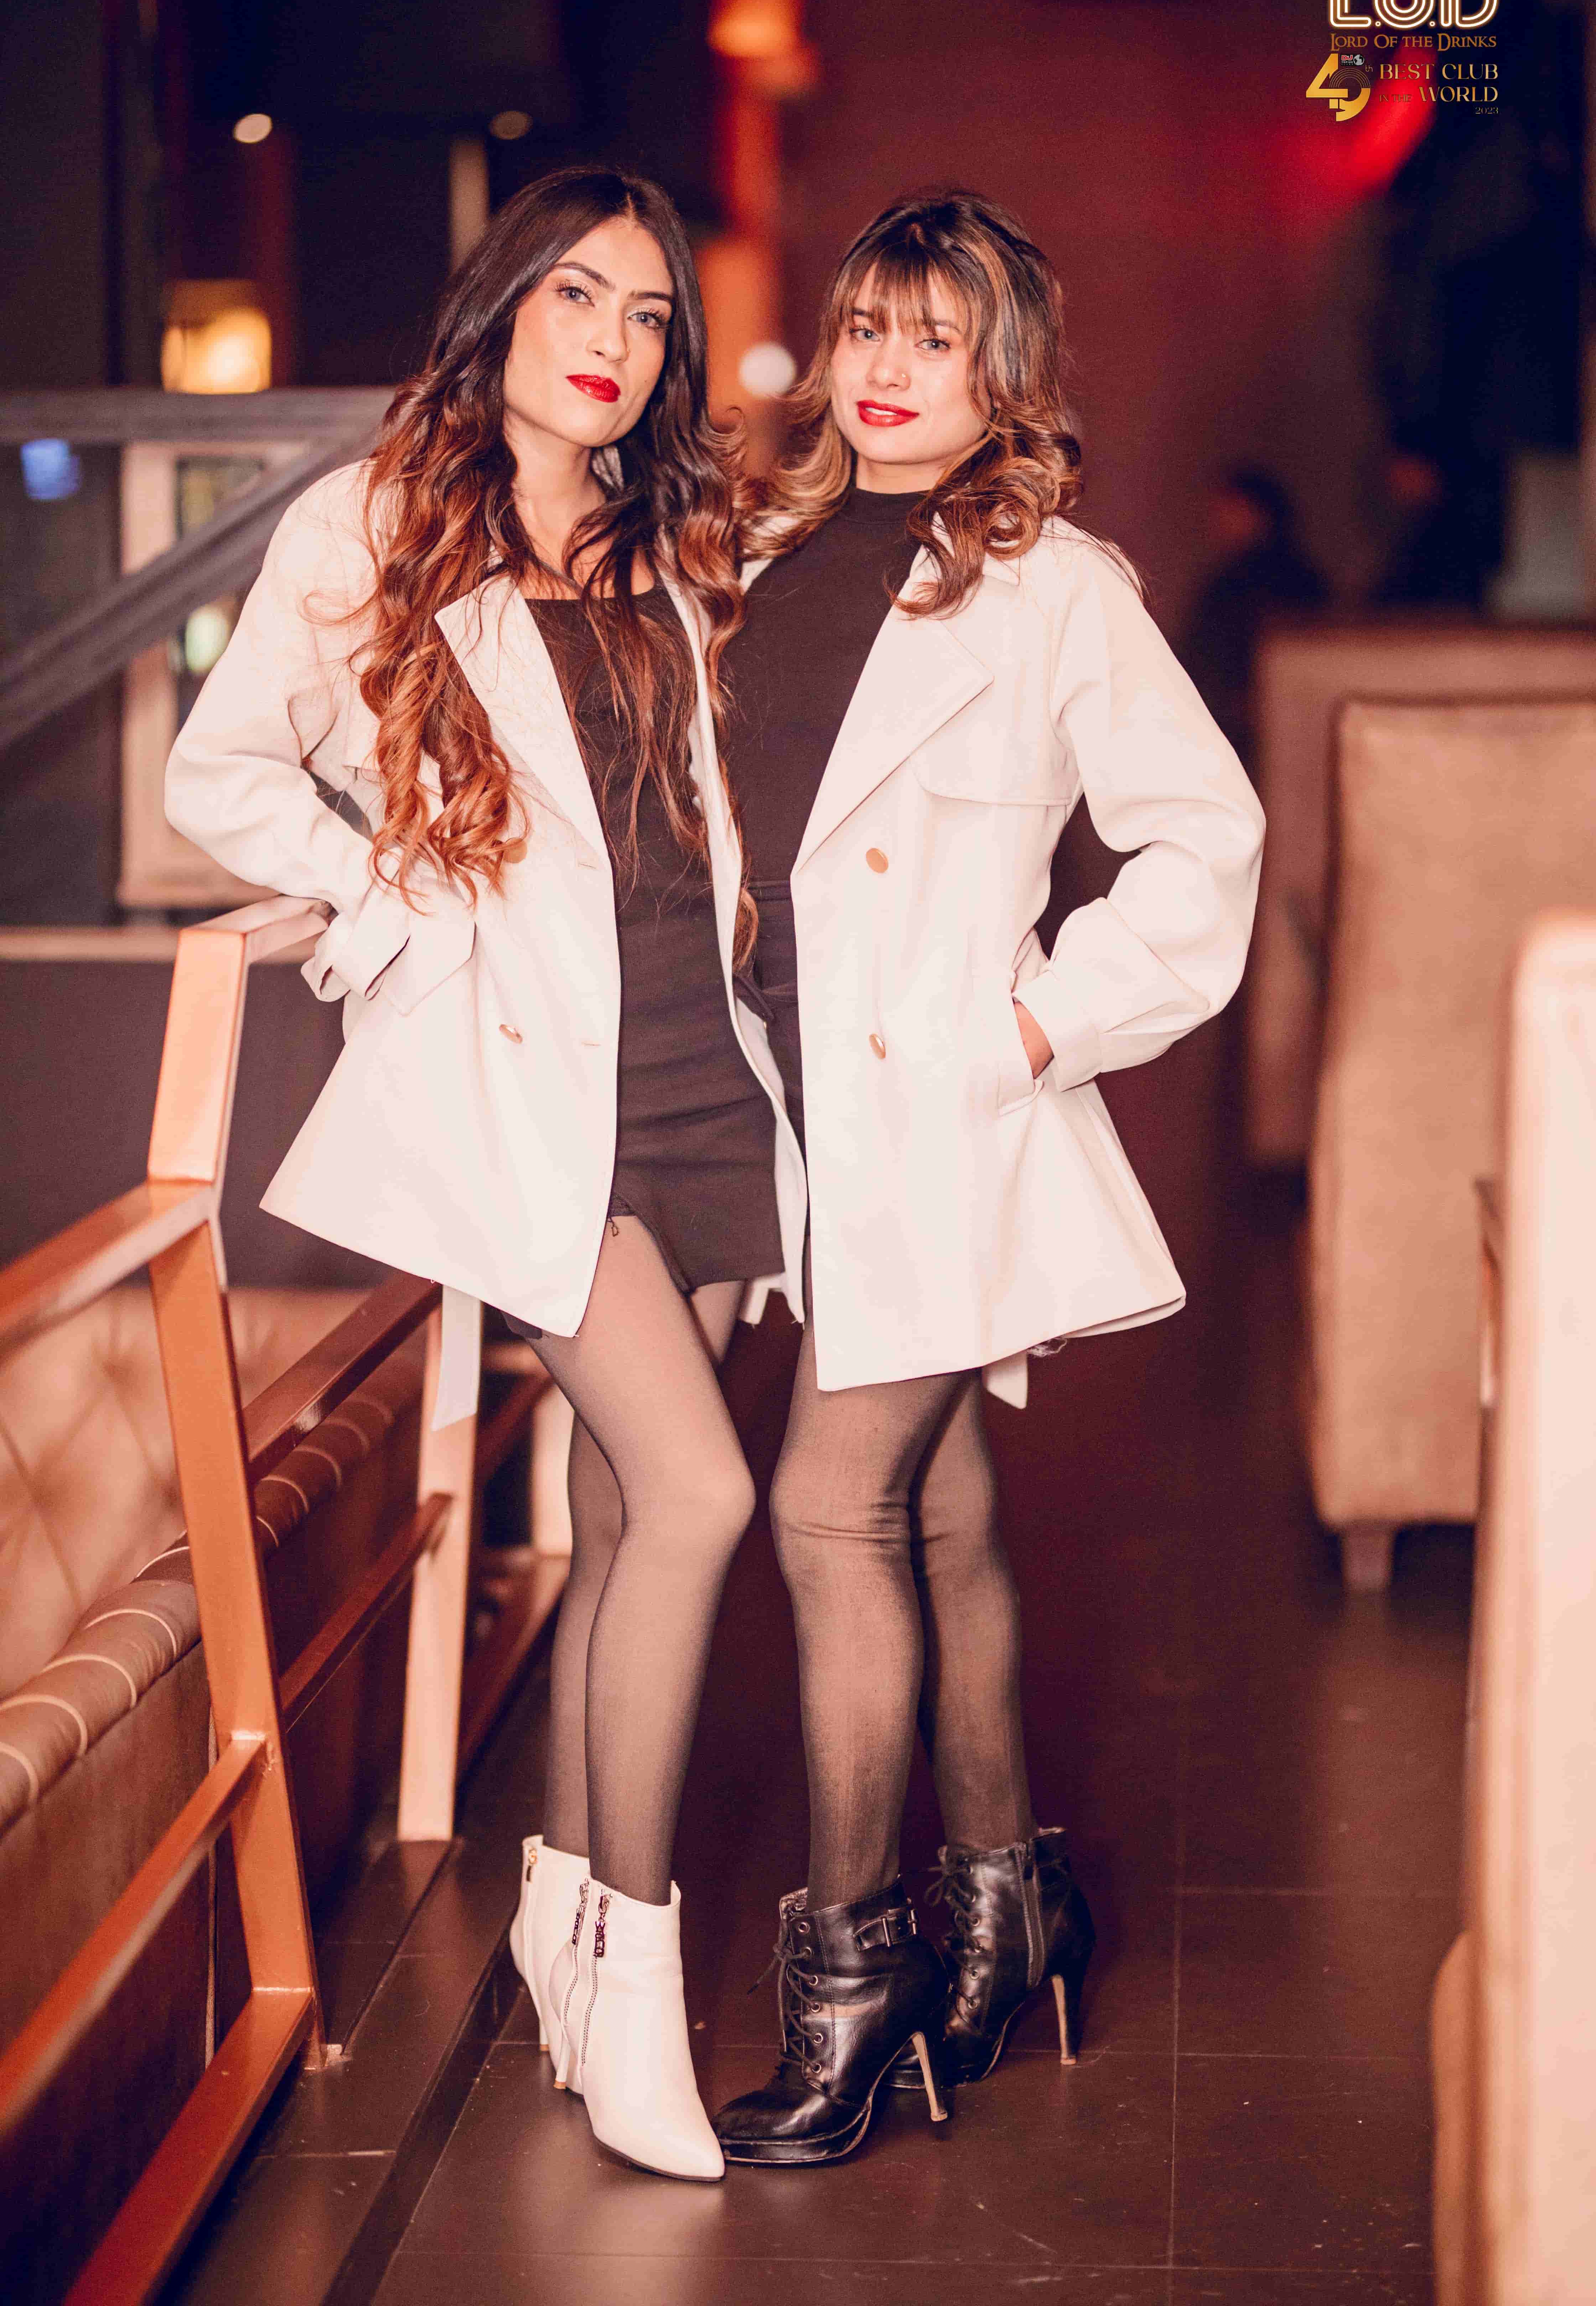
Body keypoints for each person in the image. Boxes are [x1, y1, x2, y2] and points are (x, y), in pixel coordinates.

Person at [163, 166, 791, 2185]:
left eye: (649, 313)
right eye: (577, 296)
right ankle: (635, 1986)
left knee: (623, 1522)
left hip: (699, 1072)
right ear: (505, 306)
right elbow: (214, 771)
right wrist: (378, 894)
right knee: (703, 1493)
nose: (613, 341)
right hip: (534, 1094)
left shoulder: (671, 533)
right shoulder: (377, 523)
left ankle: (563, 1924)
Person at [707, 192, 1266, 2166]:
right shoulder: (760, 560)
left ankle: (849, 1985)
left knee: (828, 1508)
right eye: (867, 326)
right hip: (791, 1118)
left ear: (1001, 373)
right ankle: (1013, 1913)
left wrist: (1035, 1028)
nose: (884, 369)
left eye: (934, 340)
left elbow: (1203, 841)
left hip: (943, 1119)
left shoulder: (1055, 590)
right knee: (936, 1517)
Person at [1178, 466, 1328, 774]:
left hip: (1261, 720)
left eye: (1232, 509)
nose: (1219, 520)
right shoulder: (1227, 580)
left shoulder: (1284, 580)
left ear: (1259, 513)